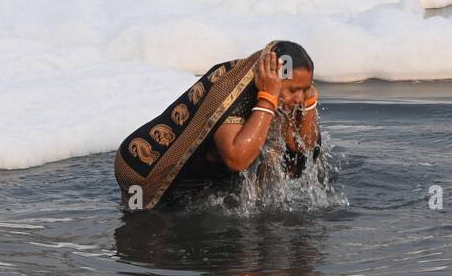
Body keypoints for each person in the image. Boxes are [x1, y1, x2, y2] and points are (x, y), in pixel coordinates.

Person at [114, 41, 321, 210]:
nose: (299, 98)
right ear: (273, 78)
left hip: (200, 171)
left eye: (305, 89)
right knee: (144, 230)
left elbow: (303, 149)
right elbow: (236, 158)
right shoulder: (233, 90)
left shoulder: (285, 89)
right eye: (294, 90)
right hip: (142, 171)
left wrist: (309, 103)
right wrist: (267, 99)